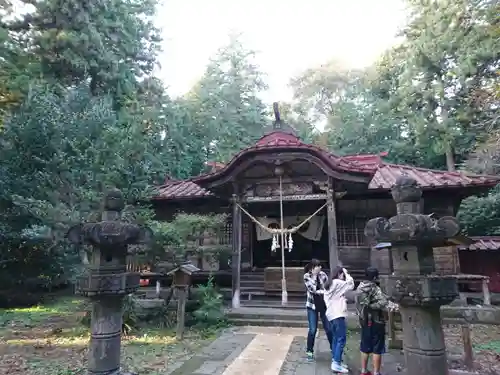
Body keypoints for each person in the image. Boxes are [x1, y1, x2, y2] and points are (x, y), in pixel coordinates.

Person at [356, 267, 399, 375]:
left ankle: (364, 370)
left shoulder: (360, 287)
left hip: (364, 320)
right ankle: (376, 372)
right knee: (377, 347)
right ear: (374, 277)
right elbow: (383, 302)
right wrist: (373, 306)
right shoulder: (374, 288)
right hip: (376, 320)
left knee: (365, 346)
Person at [322, 266, 355, 373]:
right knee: (341, 339)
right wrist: (347, 273)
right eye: (342, 275)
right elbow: (351, 284)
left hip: (331, 314)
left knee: (336, 338)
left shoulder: (329, 284)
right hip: (337, 314)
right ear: (339, 274)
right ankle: (336, 363)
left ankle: (336, 360)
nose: (343, 277)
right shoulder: (337, 282)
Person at [303, 259, 333, 361]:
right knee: (312, 329)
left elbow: (328, 288)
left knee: (329, 328)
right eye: (318, 266)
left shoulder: (323, 274)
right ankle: (310, 351)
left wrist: (323, 290)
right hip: (312, 306)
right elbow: (313, 289)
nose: (320, 268)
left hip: (324, 305)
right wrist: (315, 276)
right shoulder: (307, 276)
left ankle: (334, 350)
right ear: (312, 267)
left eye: (320, 266)